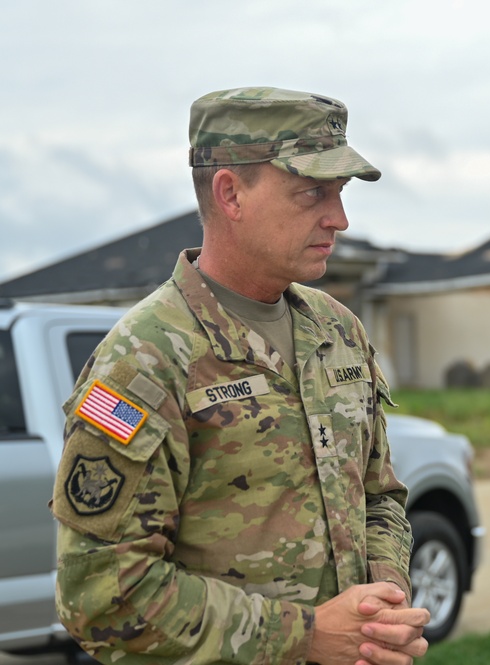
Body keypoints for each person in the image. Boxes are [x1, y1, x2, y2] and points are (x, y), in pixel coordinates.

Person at [51, 87, 429, 665]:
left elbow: (378, 497)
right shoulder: (147, 358)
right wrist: (304, 635)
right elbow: (102, 595)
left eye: (341, 193)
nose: (340, 218)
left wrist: (380, 604)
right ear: (230, 193)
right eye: (313, 193)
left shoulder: (336, 330)